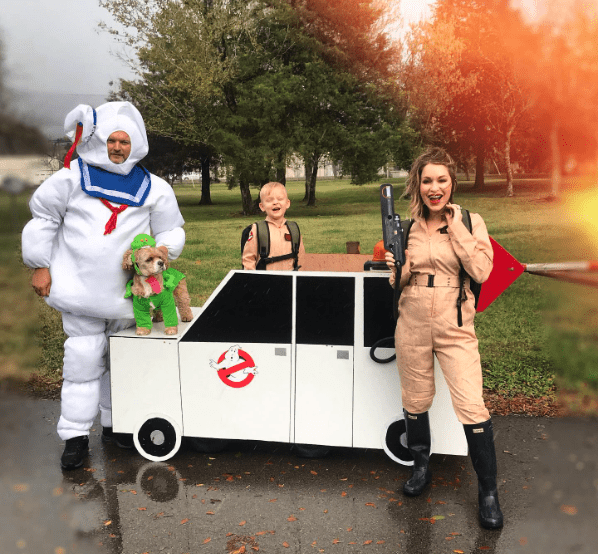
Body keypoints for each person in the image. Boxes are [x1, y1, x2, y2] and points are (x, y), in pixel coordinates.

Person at [22, 102, 187, 470]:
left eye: (124, 141)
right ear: (100, 141)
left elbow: (171, 228)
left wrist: (166, 250)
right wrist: (39, 265)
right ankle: (76, 437)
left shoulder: (153, 187)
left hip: (131, 297)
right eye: (112, 140)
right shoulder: (70, 179)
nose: (117, 148)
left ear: (136, 144)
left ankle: (119, 425)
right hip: (82, 293)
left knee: (124, 363)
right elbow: (44, 218)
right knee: (83, 362)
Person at [384, 147, 503, 529]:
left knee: (471, 404)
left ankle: (488, 492)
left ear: (451, 183)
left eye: (442, 180)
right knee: (416, 399)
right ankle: (421, 468)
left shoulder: (471, 220)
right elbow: (400, 282)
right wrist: (395, 269)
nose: (435, 188)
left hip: (455, 323)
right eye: (427, 180)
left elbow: (483, 271)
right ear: (417, 184)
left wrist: (456, 229)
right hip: (413, 319)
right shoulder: (406, 227)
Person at [242, 181, 305, 270]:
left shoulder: (293, 229)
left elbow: (301, 259)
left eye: (280, 199)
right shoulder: (258, 229)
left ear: (287, 203)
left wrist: (300, 280)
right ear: (262, 206)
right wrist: (252, 281)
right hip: (266, 282)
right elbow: (248, 260)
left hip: (289, 281)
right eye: (269, 200)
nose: (275, 202)